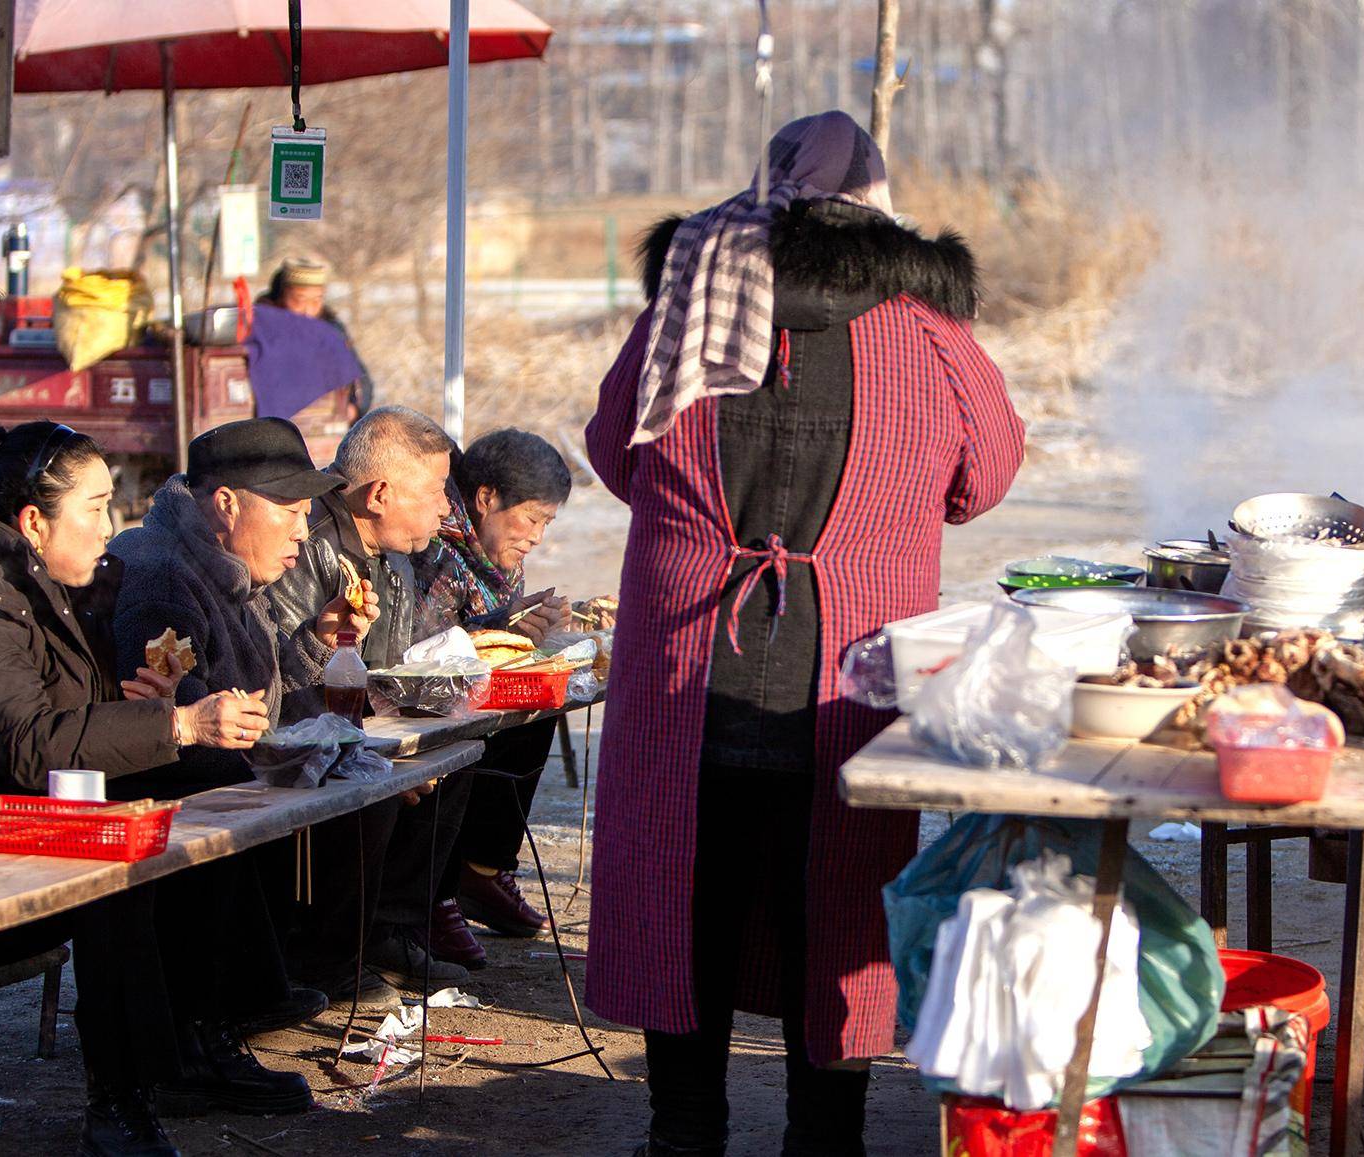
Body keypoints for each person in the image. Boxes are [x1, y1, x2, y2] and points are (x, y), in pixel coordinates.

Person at [584, 111, 1026, 1156]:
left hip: (690, 661)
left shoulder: (687, 298)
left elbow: (615, 452)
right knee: (835, 906)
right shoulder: (925, 322)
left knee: (685, 899)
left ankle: (683, 1133)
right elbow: (987, 474)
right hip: (851, 670)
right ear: (876, 199)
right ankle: (825, 1140)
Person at [0, 407, 313, 1155]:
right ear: (33, 523)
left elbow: (61, 714)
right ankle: (121, 1097)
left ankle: (203, 1031)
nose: (113, 529)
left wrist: (140, 704)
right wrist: (177, 723)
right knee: (112, 868)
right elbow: (32, 742)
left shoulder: (36, 580)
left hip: (20, 815)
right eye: (97, 509)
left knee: (209, 778)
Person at [104, 416, 400, 1028]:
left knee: (377, 784)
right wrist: (282, 757)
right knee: (344, 789)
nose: (303, 528)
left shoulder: (228, 566)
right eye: (289, 509)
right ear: (227, 504)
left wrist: (322, 642)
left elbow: (259, 702)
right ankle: (227, 1008)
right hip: (158, 804)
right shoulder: (163, 580)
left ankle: (269, 974)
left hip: (215, 784)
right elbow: (180, 736)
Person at [263, 405, 470, 996]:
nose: (444, 508)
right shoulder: (309, 541)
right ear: (379, 493)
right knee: (377, 780)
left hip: (358, 720)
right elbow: (283, 680)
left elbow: (390, 661)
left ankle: (389, 929)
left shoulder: (394, 551)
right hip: (294, 731)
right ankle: (330, 952)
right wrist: (376, 748)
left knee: (458, 751)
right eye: (434, 491)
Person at [411, 428, 576, 960]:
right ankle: (432, 892)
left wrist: (523, 624)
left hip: (470, 687)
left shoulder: (494, 547)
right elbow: (423, 647)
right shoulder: (434, 540)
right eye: (531, 519)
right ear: (486, 499)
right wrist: (502, 625)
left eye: (546, 523)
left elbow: (492, 629)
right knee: (460, 733)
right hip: (418, 701)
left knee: (541, 698)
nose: (537, 538)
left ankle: (482, 868)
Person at [247, 257, 367, 423]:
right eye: (299, 301)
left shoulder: (330, 330)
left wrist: (354, 408)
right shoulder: (263, 325)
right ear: (281, 296)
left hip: (323, 424)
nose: (307, 311)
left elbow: (360, 379)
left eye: (316, 301)